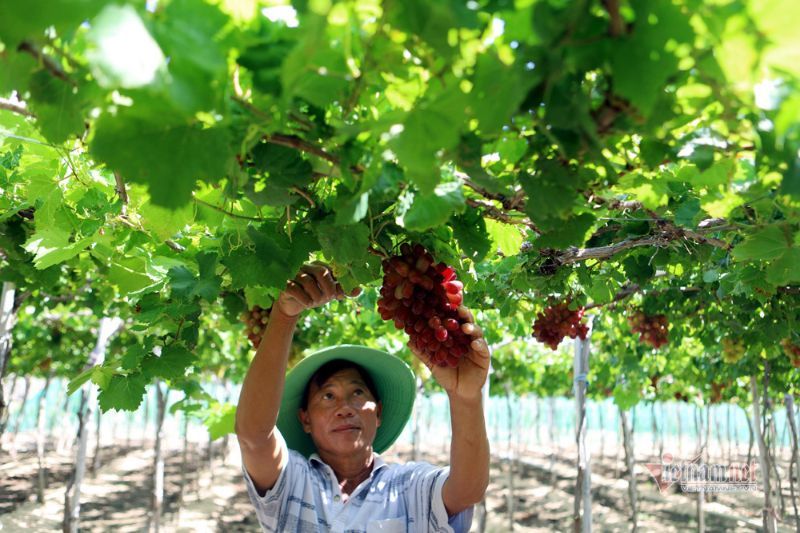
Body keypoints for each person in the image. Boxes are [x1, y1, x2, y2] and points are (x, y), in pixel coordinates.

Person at [235, 262, 491, 532]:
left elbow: (467, 491)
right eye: (328, 396)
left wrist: (465, 399)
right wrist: (284, 317)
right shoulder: (292, 482)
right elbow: (254, 435)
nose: (345, 408)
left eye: (357, 392)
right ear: (305, 419)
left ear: (378, 412)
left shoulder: (410, 486)